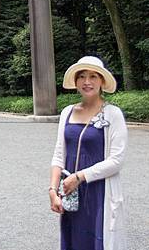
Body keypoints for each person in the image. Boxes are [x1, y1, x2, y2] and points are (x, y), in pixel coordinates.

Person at [49, 56, 128, 250]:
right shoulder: (67, 112)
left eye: (93, 76)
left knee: (97, 242)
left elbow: (117, 160)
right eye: (82, 76)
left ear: (101, 81)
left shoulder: (113, 114)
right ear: (75, 82)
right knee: (73, 241)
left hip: (99, 190)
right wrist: (52, 190)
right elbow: (59, 154)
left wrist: (80, 176)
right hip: (70, 191)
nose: (87, 81)